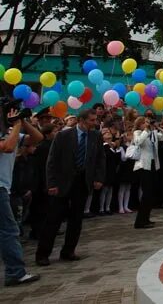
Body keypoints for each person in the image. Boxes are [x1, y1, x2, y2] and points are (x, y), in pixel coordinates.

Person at [36, 108, 105, 266]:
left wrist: (98, 178)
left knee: (76, 219)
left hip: (82, 182)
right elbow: (52, 160)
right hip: (62, 182)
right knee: (54, 218)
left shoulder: (95, 136)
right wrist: (51, 183)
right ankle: (43, 254)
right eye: (92, 120)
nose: (95, 123)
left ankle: (68, 251)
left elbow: (100, 158)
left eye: (96, 120)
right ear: (81, 120)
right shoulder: (63, 135)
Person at [0, 105, 42, 286]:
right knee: (10, 231)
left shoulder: (12, 132)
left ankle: (15, 271)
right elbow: (8, 147)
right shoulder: (10, 135)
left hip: (4, 188)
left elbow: (38, 138)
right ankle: (15, 272)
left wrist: (23, 121)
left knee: (8, 230)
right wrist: (16, 124)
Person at [132, 116, 161, 229]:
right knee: (146, 193)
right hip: (143, 166)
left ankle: (146, 218)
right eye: (145, 122)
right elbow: (138, 142)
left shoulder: (152, 133)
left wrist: (158, 128)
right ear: (140, 124)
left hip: (153, 164)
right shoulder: (138, 132)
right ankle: (139, 222)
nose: (147, 124)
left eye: (148, 122)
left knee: (151, 194)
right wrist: (145, 130)